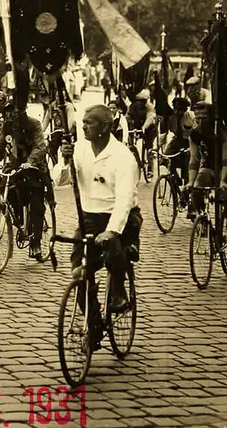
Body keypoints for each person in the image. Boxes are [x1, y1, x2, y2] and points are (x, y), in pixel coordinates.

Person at [57, 104, 142, 314]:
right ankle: (92, 322)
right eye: (83, 122)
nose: (84, 127)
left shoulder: (123, 156)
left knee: (112, 247)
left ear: (105, 126)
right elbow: (60, 180)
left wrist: (112, 230)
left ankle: (118, 291)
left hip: (121, 218)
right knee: (78, 273)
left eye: (89, 123)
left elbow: (125, 199)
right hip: (89, 218)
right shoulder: (80, 149)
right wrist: (65, 161)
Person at [0, 103, 49, 259]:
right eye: (8, 114)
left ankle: (36, 243)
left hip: (35, 167)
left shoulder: (34, 124)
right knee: (6, 187)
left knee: (36, 205)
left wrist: (31, 162)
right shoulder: (8, 126)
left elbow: (39, 147)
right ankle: (19, 220)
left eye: (14, 114)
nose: (11, 118)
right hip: (16, 164)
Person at [186, 101, 227, 268]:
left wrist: (223, 181)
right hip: (207, 168)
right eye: (197, 118)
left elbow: (226, 159)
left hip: (226, 171)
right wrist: (190, 182)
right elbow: (194, 160)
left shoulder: (223, 133)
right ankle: (205, 222)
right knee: (195, 190)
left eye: (204, 117)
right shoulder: (194, 134)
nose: (200, 121)